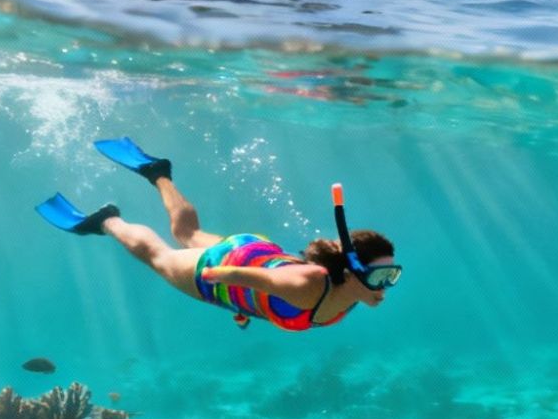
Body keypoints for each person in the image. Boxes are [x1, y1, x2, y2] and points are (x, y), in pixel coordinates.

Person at [37, 138, 400, 331]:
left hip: (255, 249)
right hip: (229, 270)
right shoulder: (308, 283)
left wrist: (245, 309)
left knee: (187, 232)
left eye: (391, 276)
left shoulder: (353, 291)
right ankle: (106, 221)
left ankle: (157, 172)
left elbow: (267, 291)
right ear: (351, 271)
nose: (385, 287)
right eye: (381, 276)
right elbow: (260, 279)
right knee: (160, 258)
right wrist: (221, 278)